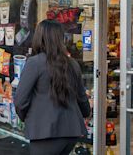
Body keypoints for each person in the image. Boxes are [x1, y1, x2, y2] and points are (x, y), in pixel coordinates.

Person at [14, 19, 91, 155]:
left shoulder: (35, 63)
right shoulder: (73, 64)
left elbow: (20, 101)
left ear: (39, 37)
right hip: (71, 131)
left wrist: (29, 118)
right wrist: (85, 114)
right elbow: (82, 99)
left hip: (45, 133)